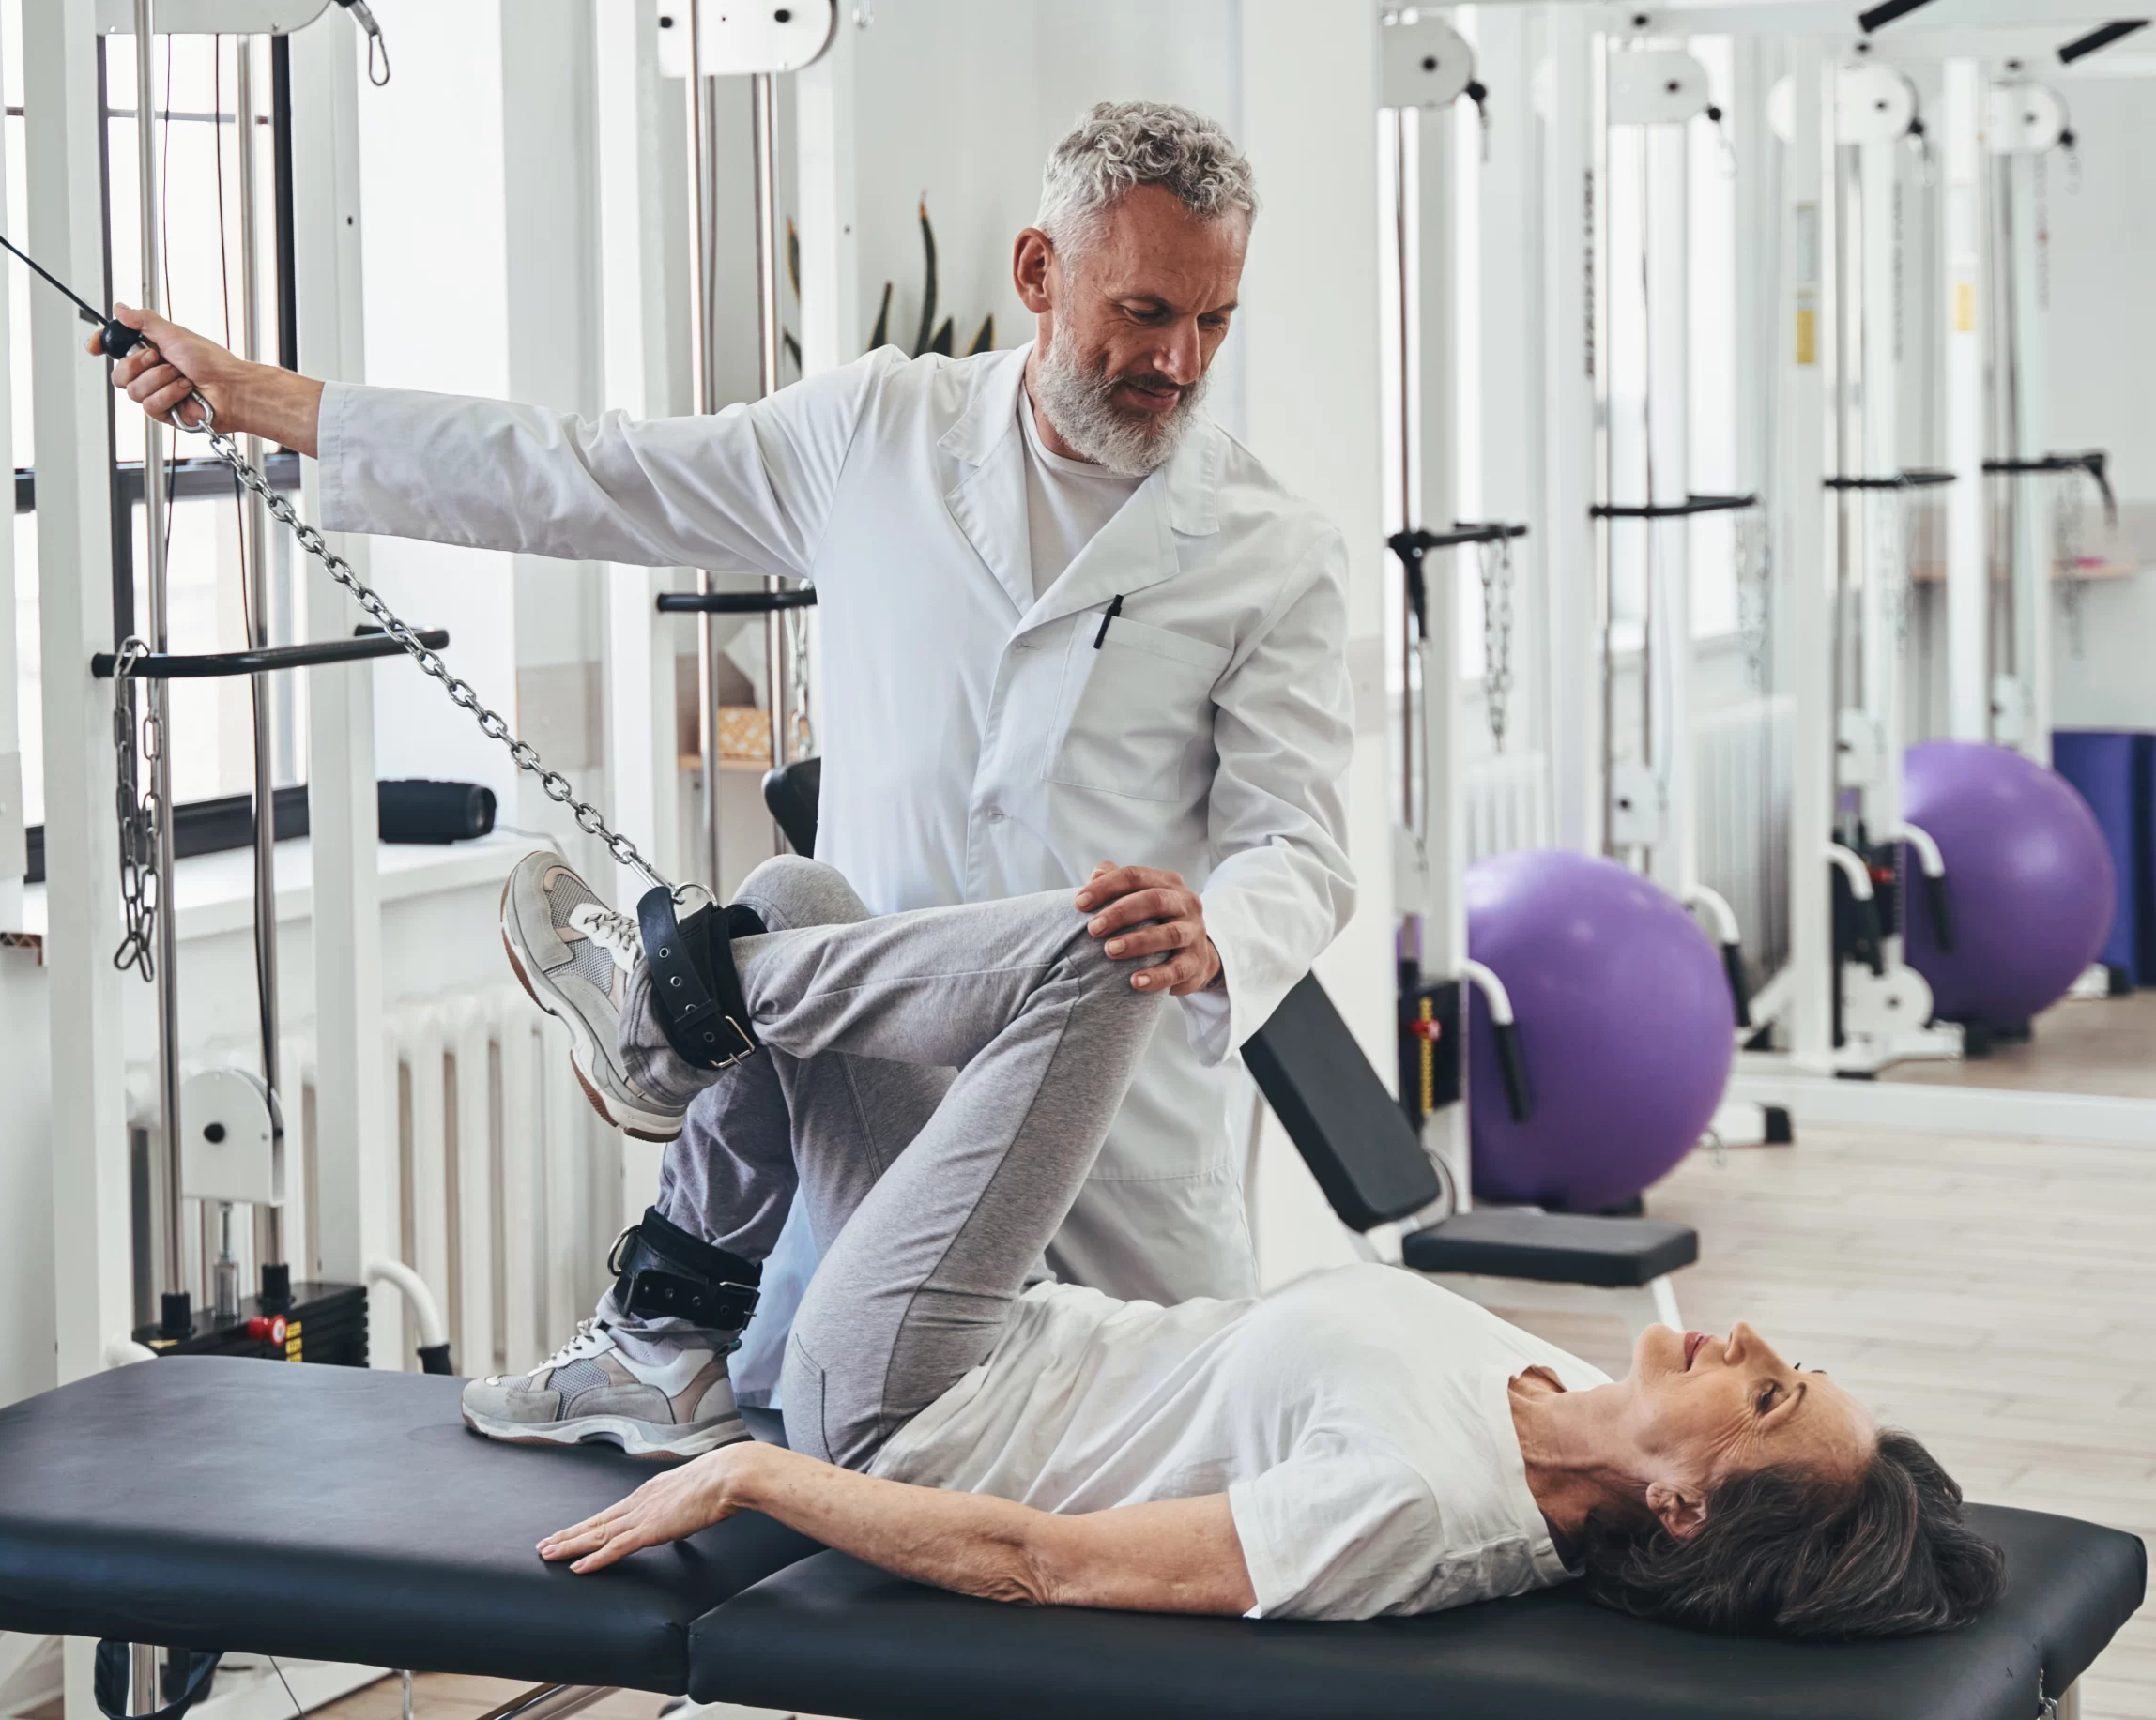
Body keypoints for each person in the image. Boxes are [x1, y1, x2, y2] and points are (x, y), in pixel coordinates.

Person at [97, 101, 1357, 1408]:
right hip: (872, 1102)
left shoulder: (1270, 549)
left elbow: (1301, 846)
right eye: (1147, 312)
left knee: (1117, 1478)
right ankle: (670, 1083)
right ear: (1039, 272)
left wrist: (1217, 930)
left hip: (1113, 1143)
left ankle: (659, 1021)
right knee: (824, 1455)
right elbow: (593, 473)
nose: (1180, 358)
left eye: (1213, 322)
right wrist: (275, 406)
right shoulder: (877, 433)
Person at [485, 844, 2004, 1636]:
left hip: (910, 1407)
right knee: (798, 900)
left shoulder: (1423, 1509)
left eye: (1765, 1394)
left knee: (1114, 951)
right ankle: (670, 1328)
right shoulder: (1562, 1386)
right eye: (1783, 1364)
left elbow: (1046, 1567)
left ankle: (666, 1036)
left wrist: (761, 1474)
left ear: (1679, 1509)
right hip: (1007, 1321)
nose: (1746, 1341)